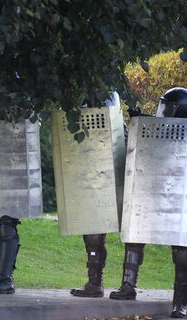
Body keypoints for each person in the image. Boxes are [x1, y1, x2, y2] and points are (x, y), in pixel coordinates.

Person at [109, 87, 187, 319]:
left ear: (176, 108)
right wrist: (140, 121)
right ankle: (128, 285)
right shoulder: (160, 127)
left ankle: (180, 301)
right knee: (135, 235)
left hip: (181, 196)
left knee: (181, 249)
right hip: (152, 189)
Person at [70, 92, 121, 298]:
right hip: (92, 182)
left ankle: (95, 282)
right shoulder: (91, 129)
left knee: (94, 233)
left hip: (105, 184)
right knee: (92, 235)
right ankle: (94, 282)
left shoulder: (116, 131)